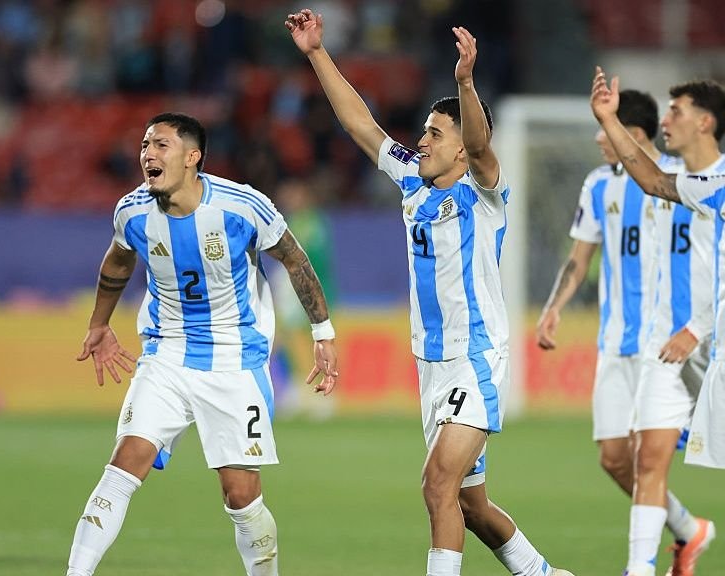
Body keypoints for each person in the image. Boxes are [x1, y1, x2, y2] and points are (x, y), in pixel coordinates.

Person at [286, 9, 573, 576]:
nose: (421, 141)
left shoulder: (484, 192)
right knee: (470, 504)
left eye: (434, 134)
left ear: (462, 148)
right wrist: (317, 52)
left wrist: (465, 83)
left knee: (436, 482)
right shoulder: (412, 177)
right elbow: (361, 126)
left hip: (476, 359)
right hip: (432, 365)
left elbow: (484, 147)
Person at [65, 112, 338, 576]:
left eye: (162, 145)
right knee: (124, 463)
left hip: (235, 360)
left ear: (193, 158)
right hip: (165, 353)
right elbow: (117, 263)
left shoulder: (242, 207)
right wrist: (99, 323)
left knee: (241, 495)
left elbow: (294, 259)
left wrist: (322, 332)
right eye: (145, 144)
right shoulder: (132, 212)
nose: (148, 153)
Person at [537, 89, 711, 573]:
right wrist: (554, 307)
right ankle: (688, 529)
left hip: (668, 345)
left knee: (650, 456)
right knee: (616, 460)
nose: (598, 137)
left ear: (632, 134)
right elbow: (579, 257)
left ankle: (642, 565)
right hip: (615, 342)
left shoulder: (679, 182)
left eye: (606, 128)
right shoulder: (597, 186)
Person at [591, 69, 724, 576]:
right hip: (668, 343)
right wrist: (608, 117)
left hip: (710, 343)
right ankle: (639, 570)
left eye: (678, 111)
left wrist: (701, 326)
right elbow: (649, 179)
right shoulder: (693, 184)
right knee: (648, 459)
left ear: (706, 122)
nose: (666, 119)